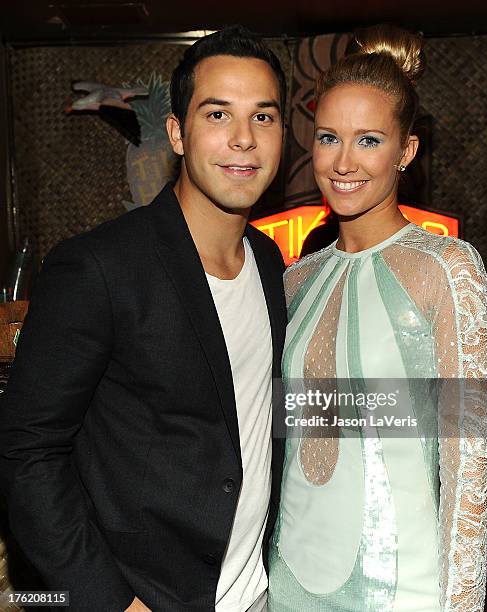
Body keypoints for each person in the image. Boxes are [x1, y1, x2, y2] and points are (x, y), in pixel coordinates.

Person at [0, 26, 287, 612]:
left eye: (263, 117)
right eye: (217, 115)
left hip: (256, 593)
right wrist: (111, 602)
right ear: (177, 134)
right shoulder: (99, 266)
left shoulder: (268, 259)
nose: (243, 139)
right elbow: (25, 448)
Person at [268, 24, 487, 611]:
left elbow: (469, 464)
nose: (343, 162)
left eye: (368, 140)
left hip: (401, 589)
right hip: (289, 580)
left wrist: (459, 603)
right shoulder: (295, 280)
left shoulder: (447, 269)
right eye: (328, 137)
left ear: (407, 151)